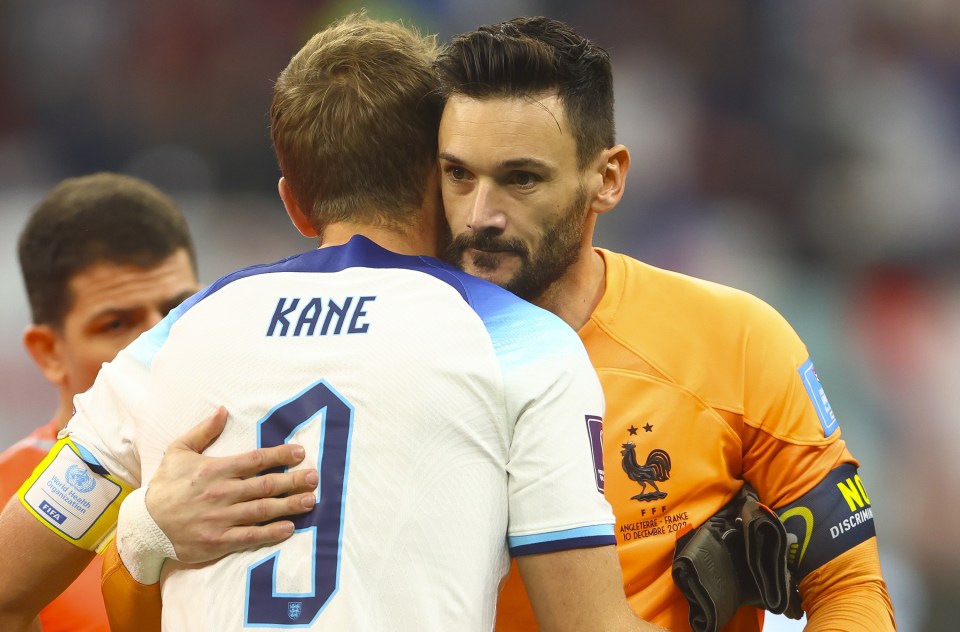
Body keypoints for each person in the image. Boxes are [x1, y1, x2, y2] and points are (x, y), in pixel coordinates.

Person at [103, 14, 897, 632]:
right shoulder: (347, 351)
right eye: (457, 175)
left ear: (607, 178)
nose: (481, 216)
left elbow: (849, 585)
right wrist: (148, 531)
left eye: (521, 179)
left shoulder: (734, 342)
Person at [0, 14, 662, 632]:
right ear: (438, 177)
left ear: (293, 201)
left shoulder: (174, 337)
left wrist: (144, 525)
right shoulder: (523, 344)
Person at [0, 172, 201, 632]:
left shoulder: (264, 462)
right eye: (115, 325)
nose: (158, 344)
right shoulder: (6, 501)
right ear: (49, 353)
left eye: (178, 311)